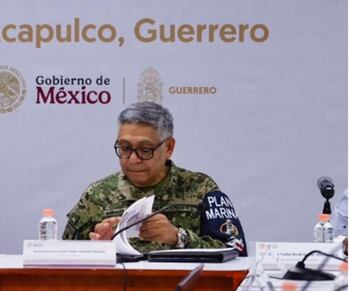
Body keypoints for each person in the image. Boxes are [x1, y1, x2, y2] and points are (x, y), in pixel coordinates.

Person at [63, 101, 247, 254]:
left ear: (168, 148)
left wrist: (178, 237)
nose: (133, 159)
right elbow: (63, 257)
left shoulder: (201, 188)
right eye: (125, 148)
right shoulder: (96, 195)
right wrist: (97, 251)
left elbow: (236, 250)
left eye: (145, 150)